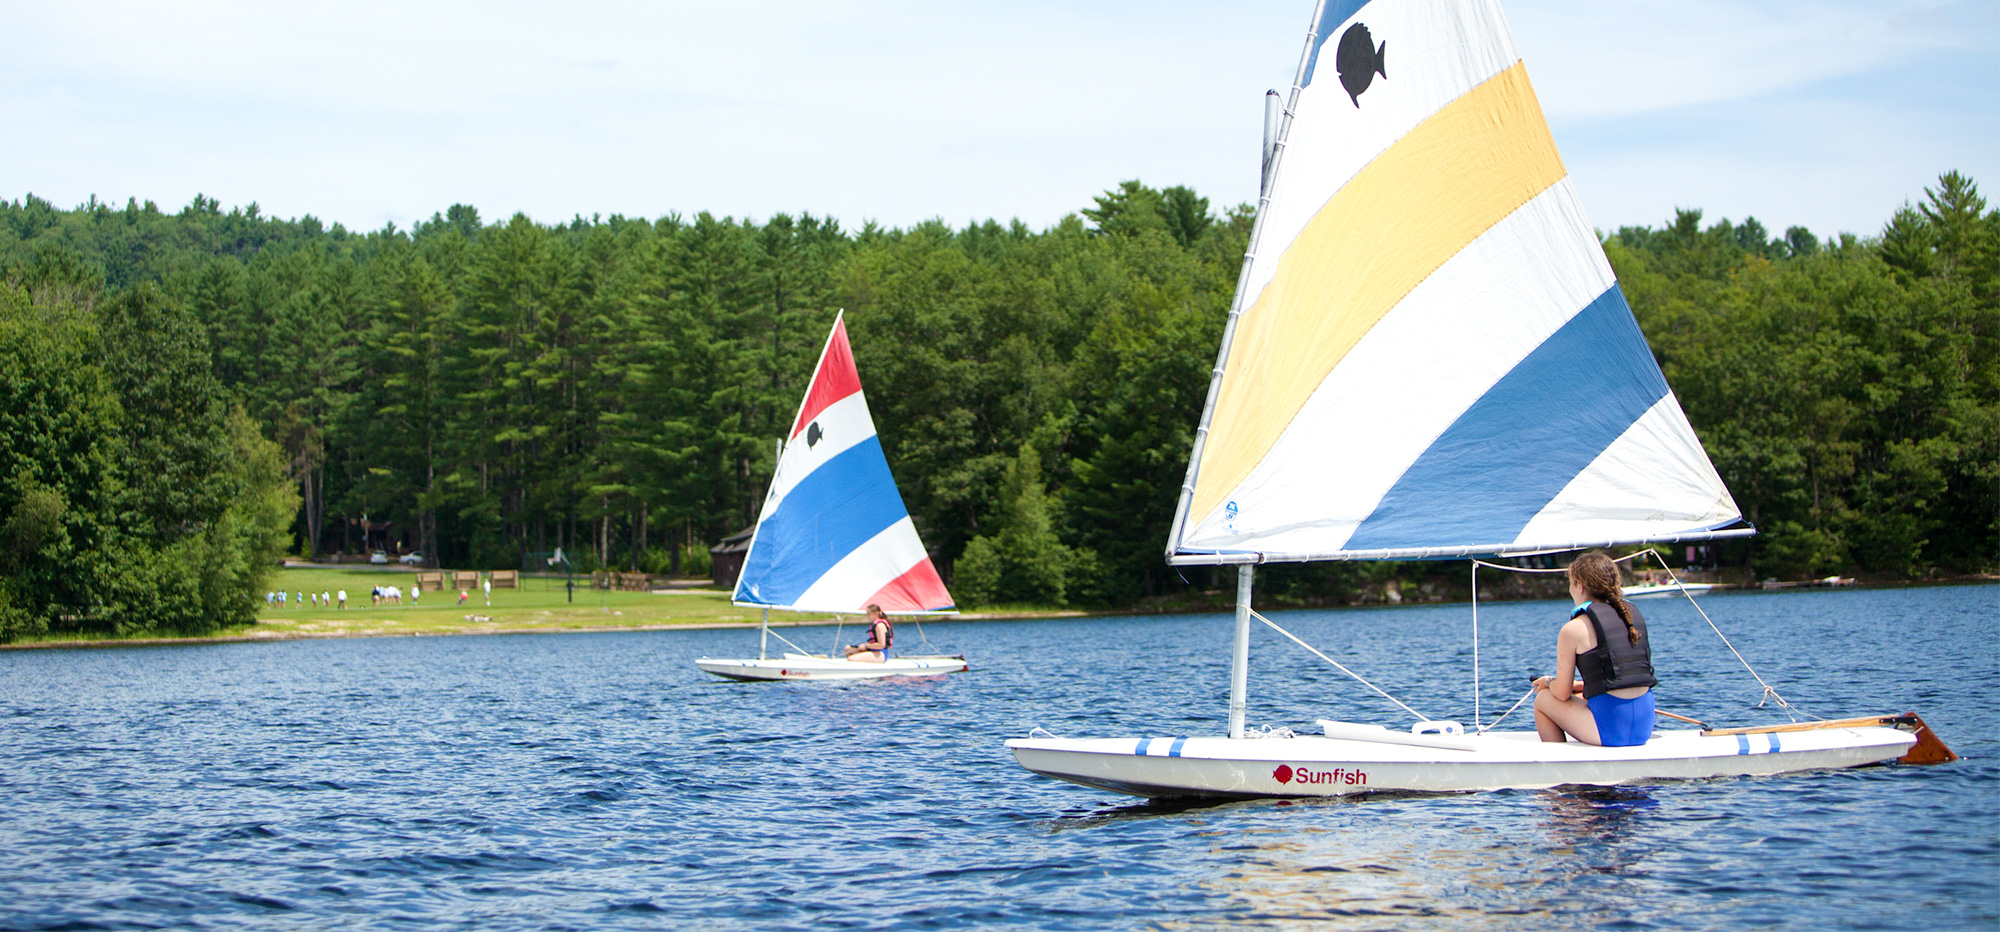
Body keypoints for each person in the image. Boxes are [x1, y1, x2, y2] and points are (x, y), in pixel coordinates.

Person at [1533, 552, 1657, 747]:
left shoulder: (1572, 629)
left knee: (1544, 699)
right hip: (1644, 724)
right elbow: (1622, 677)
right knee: (1581, 695)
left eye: (1571, 583)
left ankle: (1560, 766)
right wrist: (1580, 685)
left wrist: (1548, 682)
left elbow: (1562, 693)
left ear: (1579, 586)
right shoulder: (1631, 618)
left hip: (1613, 729)